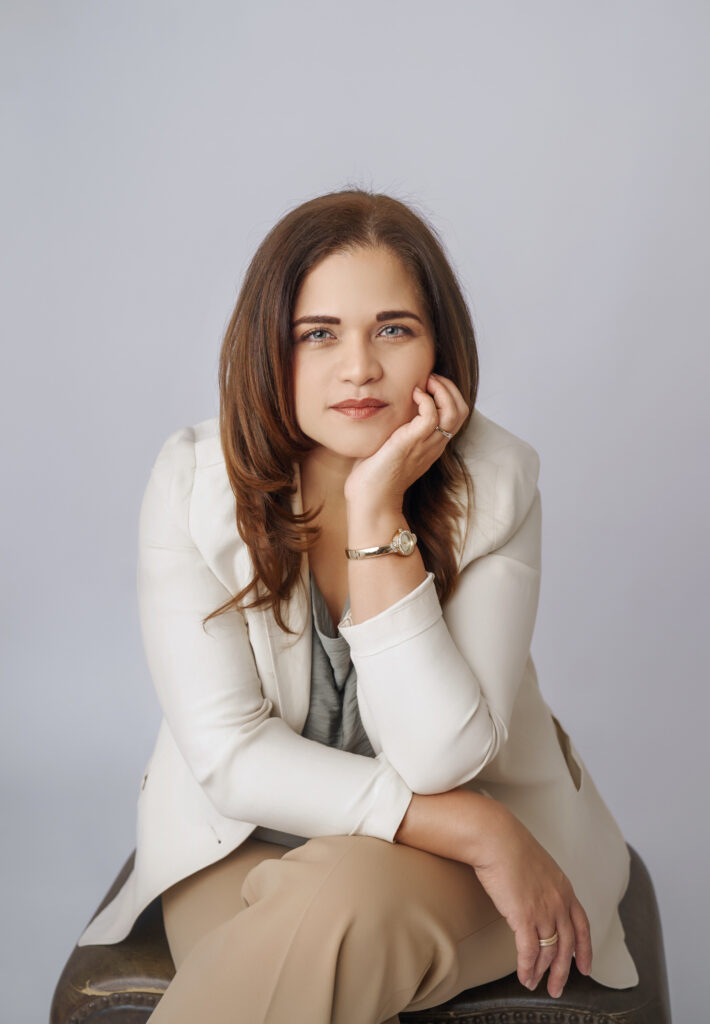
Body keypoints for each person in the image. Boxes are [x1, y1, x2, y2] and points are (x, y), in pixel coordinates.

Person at [76, 188, 639, 1022]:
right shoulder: (192, 483)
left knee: (340, 902)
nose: (360, 368)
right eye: (318, 334)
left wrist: (378, 517)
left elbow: (442, 758)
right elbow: (232, 757)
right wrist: (473, 830)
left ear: (440, 347)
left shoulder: (499, 482)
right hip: (248, 840)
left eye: (393, 329)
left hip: (469, 860)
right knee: (317, 921)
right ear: (269, 348)